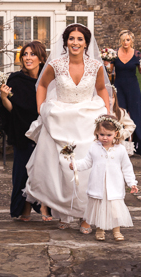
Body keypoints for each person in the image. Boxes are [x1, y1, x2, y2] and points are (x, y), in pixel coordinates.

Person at [23, 24, 111, 234]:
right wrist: (41, 107)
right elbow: (42, 85)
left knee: (87, 169)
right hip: (60, 119)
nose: (75, 43)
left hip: (87, 121)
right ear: (65, 42)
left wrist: (107, 115)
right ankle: (64, 213)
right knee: (60, 168)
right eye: (71, 38)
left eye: (80, 39)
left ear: (86, 43)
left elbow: (101, 89)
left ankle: (86, 216)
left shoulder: (96, 66)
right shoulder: (55, 64)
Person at [0, 41, 53, 221]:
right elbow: (12, 110)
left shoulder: (49, 79)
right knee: (23, 171)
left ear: (41, 57)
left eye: (32, 54)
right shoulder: (15, 79)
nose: (27, 58)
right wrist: (4, 97)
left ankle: (46, 207)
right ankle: (24, 209)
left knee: (44, 171)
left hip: (46, 130)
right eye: (25, 54)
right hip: (23, 131)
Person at [69, 115, 138, 241]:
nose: (105, 138)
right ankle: (100, 230)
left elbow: (127, 168)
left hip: (114, 186)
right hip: (98, 186)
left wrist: (132, 183)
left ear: (116, 133)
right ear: (96, 133)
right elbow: (87, 162)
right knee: (99, 209)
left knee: (115, 210)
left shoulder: (120, 150)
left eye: (109, 135)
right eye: (101, 134)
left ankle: (116, 230)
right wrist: (75, 165)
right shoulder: (94, 148)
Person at [113, 29, 141, 155]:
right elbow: (110, 72)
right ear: (120, 40)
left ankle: (139, 144)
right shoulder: (114, 53)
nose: (126, 42)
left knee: (136, 114)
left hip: (133, 87)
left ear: (131, 41)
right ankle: (119, 145)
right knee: (120, 114)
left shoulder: (136, 54)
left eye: (128, 40)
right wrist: (107, 64)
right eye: (123, 40)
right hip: (118, 86)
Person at [111, 86, 136, 156]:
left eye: (112, 97)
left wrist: (122, 134)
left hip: (117, 145)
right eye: (107, 97)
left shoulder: (120, 112)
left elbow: (131, 125)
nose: (109, 100)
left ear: (115, 99)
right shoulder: (99, 111)